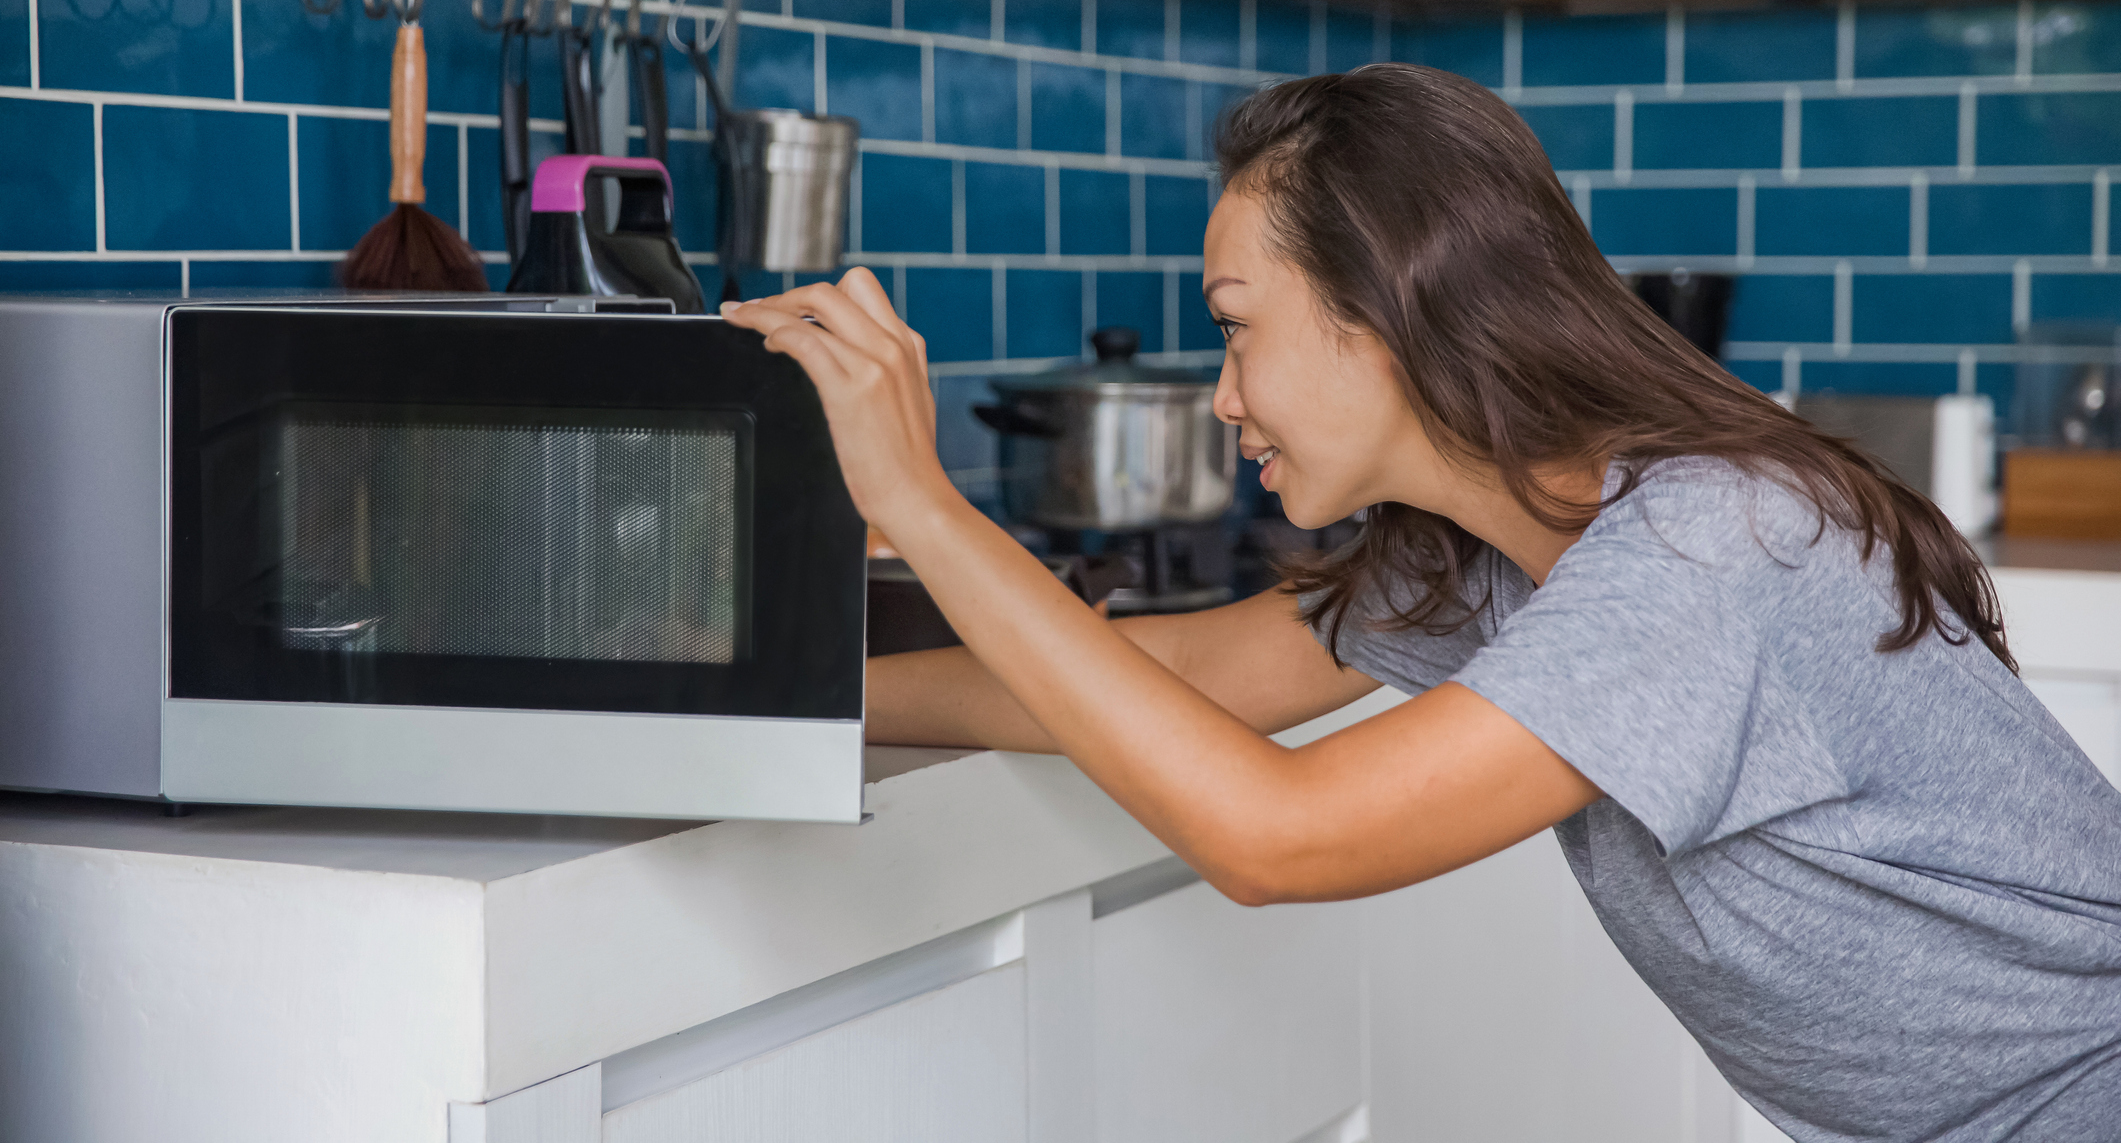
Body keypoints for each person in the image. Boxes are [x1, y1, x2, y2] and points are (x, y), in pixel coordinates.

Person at [721, 63, 2121, 1142]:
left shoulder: (1702, 549)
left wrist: (922, 505)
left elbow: (1280, 837)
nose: (1221, 395)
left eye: (1232, 324)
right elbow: (1193, 674)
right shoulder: (1493, 540)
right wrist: (784, 701)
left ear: (1383, 313)